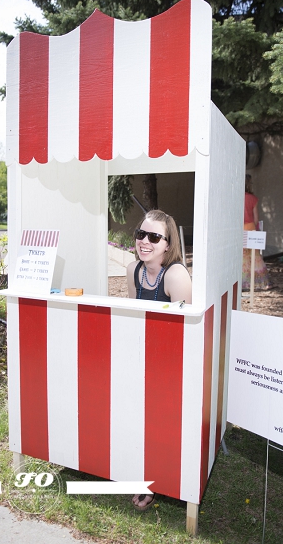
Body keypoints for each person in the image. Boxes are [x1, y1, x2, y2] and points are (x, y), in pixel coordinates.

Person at [127, 209, 191, 510]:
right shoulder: (134, 270)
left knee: (159, 419)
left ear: (168, 244)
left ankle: (154, 481)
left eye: (154, 237)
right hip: (142, 357)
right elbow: (131, 320)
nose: (145, 241)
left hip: (171, 363)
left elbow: (186, 336)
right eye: (141, 234)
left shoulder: (176, 275)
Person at [242, 174, 270, 290]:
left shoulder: (235, 197)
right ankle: (258, 282)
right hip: (251, 227)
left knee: (241, 257)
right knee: (254, 256)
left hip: (239, 229)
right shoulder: (253, 199)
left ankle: (241, 281)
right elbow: (256, 219)